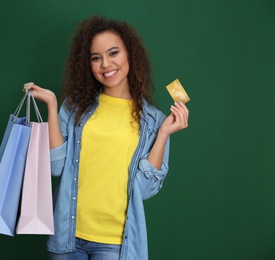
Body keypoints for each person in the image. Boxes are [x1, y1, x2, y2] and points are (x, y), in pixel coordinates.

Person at [23, 16, 189, 260]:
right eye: (96, 58)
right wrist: (51, 105)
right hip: (67, 237)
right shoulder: (74, 107)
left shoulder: (154, 121)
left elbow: (144, 190)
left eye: (113, 53)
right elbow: (56, 166)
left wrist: (163, 134)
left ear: (129, 54)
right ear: (87, 64)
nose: (105, 64)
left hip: (116, 243)